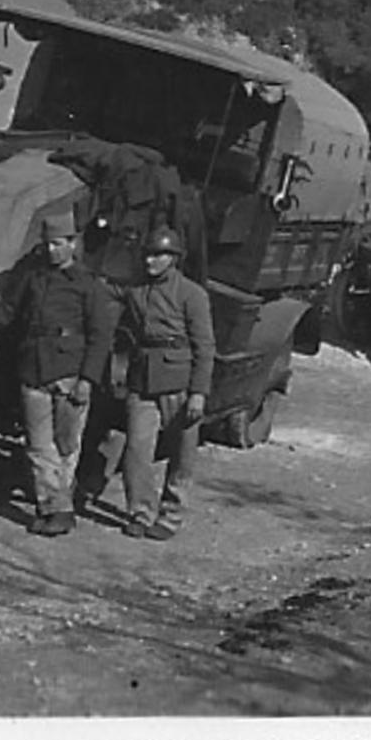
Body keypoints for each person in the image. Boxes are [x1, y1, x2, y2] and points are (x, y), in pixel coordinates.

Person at [0, 212, 114, 537]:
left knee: (66, 446)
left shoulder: (89, 286)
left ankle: (58, 507)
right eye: (48, 245)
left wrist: (87, 380)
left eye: (58, 244)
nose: (52, 251)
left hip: (69, 374)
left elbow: (100, 338)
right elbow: (9, 312)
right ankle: (55, 509)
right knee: (39, 445)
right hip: (34, 370)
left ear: (73, 243)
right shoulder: (34, 278)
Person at [116, 226, 215, 541]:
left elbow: (205, 347)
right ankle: (140, 512)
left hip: (179, 379)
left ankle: (171, 514)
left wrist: (198, 392)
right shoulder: (135, 291)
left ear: (173, 258)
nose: (150, 261)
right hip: (142, 378)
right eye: (148, 254)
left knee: (182, 451)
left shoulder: (191, 294)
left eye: (159, 255)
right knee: (137, 449)